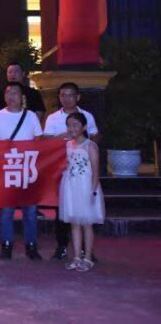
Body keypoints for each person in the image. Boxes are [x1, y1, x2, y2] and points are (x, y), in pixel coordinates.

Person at [0, 81, 45, 261]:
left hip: (27, 169)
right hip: (7, 169)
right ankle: (6, 244)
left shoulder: (31, 116)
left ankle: (31, 245)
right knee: (6, 210)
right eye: (8, 93)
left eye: (15, 93)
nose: (11, 97)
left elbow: (39, 140)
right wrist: (4, 146)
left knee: (30, 210)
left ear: (22, 97)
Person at [43, 82, 99, 261]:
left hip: (84, 173)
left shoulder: (87, 116)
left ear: (78, 97)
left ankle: (86, 252)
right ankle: (62, 246)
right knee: (63, 209)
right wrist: (62, 138)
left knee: (85, 213)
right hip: (61, 172)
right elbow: (46, 142)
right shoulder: (52, 118)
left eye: (70, 95)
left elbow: (95, 137)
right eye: (62, 95)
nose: (66, 99)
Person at [59, 112, 104, 272]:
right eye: (69, 125)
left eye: (75, 125)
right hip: (71, 186)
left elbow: (96, 172)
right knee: (75, 223)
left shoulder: (90, 146)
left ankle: (88, 258)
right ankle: (77, 257)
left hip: (86, 187)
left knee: (86, 223)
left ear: (84, 127)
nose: (71, 128)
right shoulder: (68, 145)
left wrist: (93, 192)